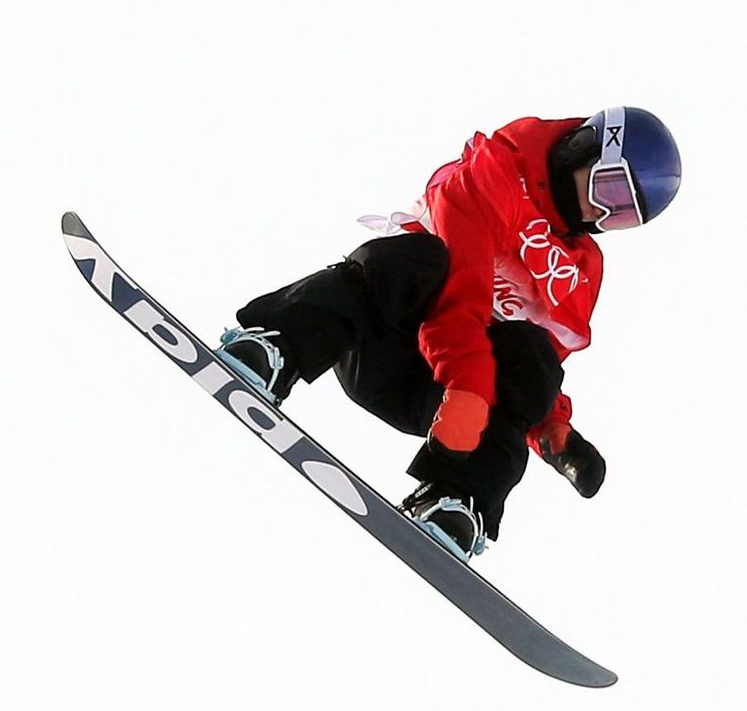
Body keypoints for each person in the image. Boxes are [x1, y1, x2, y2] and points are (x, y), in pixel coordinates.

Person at [214, 108, 682, 560]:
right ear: (582, 150)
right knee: (417, 258)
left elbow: (543, 360)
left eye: (619, 215)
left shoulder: (580, 270)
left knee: (532, 356)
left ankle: (457, 500)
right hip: (384, 339)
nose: (597, 213)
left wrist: (554, 430)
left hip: (443, 402)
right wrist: (468, 388)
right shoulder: (497, 169)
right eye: (609, 190)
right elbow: (463, 287)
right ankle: (276, 348)